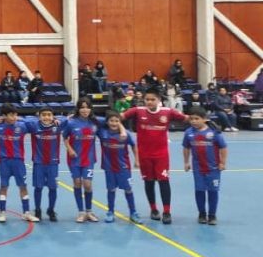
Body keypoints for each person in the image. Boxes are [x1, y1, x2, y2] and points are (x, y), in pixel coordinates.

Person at [121, 87, 188, 224]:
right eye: (147, 99)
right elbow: (117, 117)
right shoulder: (137, 111)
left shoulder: (167, 112)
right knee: (149, 182)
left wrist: (206, 122)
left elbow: (188, 119)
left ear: (159, 100)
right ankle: (153, 209)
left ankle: (167, 211)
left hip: (161, 155)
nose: (149, 102)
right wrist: (122, 129)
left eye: (153, 99)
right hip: (144, 155)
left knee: (164, 181)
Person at [0, 104, 39, 222]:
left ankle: (26, 212)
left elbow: (35, 122)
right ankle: (2, 212)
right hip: (4, 162)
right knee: (4, 186)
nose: (14, 117)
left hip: (18, 161)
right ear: (4, 116)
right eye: (11, 115)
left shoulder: (22, 126)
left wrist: (21, 118)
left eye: (15, 115)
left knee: (23, 186)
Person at [183, 107, 228, 225]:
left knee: (213, 191)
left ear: (204, 119)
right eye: (191, 119)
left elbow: (223, 147)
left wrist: (222, 162)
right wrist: (186, 162)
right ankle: (202, 213)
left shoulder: (214, 132)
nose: (193, 121)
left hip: (213, 169)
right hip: (198, 168)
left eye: (197, 119)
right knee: (199, 191)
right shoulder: (188, 132)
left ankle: (212, 215)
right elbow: (186, 147)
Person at [97, 111, 141, 224]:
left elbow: (134, 145)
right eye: (111, 121)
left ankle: (133, 212)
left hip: (123, 167)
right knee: (111, 189)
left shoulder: (125, 134)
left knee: (128, 189)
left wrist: (136, 160)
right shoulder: (102, 132)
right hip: (109, 167)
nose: (114, 123)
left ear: (120, 122)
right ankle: (110, 212)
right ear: (107, 122)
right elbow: (94, 119)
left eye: (117, 121)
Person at [62, 98, 100, 223]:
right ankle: (81, 212)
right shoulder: (71, 122)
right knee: (77, 183)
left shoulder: (95, 122)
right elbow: (64, 137)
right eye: (82, 107)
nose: (85, 110)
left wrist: (121, 129)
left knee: (87, 184)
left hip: (89, 158)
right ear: (78, 109)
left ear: (90, 108)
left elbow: (114, 120)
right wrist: (70, 149)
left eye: (87, 107)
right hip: (74, 158)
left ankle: (89, 211)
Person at [27, 107, 61, 222]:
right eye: (44, 115)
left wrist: (57, 119)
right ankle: (37, 210)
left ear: (53, 116)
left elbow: (69, 119)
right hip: (39, 163)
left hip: (53, 163)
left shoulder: (58, 126)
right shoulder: (34, 126)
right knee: (38, 187)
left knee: (53, 188)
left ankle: (51, 210)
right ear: (39, 116)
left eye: (49, 115)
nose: (46, 117)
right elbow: (22, 120)